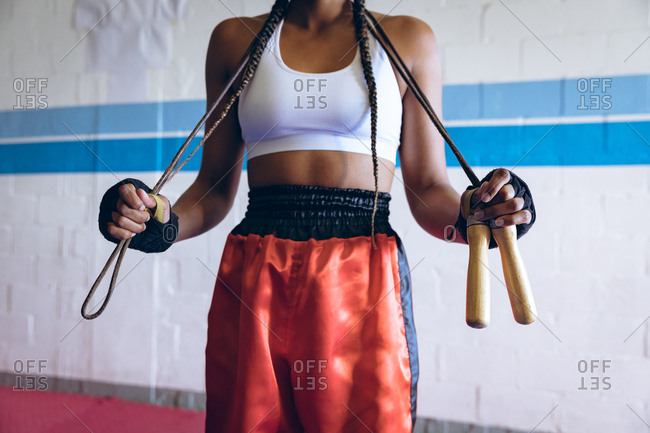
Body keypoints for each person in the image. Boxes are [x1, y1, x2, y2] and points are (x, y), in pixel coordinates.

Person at [99, 0, 534, 431]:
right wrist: (160, 222)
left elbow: (427, 188)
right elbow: (212, 189)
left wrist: (474, 214)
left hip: (362, 275)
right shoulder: (233, 39)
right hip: (255, 271)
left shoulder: (407, 38)